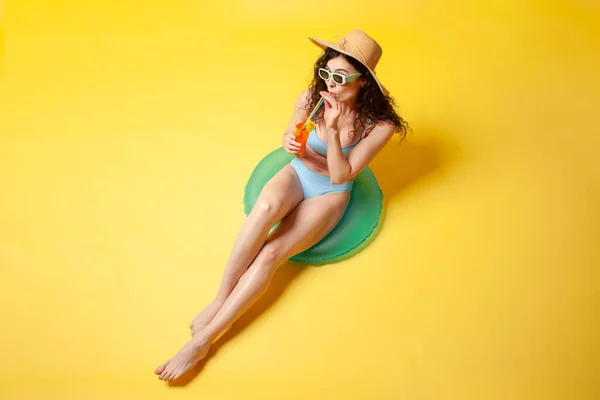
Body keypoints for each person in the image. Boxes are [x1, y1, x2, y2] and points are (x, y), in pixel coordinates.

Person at [155, 29, 409, 381]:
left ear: (363, 81)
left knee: (272, 253)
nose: (330, 84)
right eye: (326, 73)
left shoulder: (378, 125)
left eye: (340, 78)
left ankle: (203, 342)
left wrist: (333, 133)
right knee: (263, 211)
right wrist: (290, 140)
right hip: (298, 171)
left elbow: (340, 175)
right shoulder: (310, 98)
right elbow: (292, 136)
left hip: (329, 192)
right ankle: (218, 299)